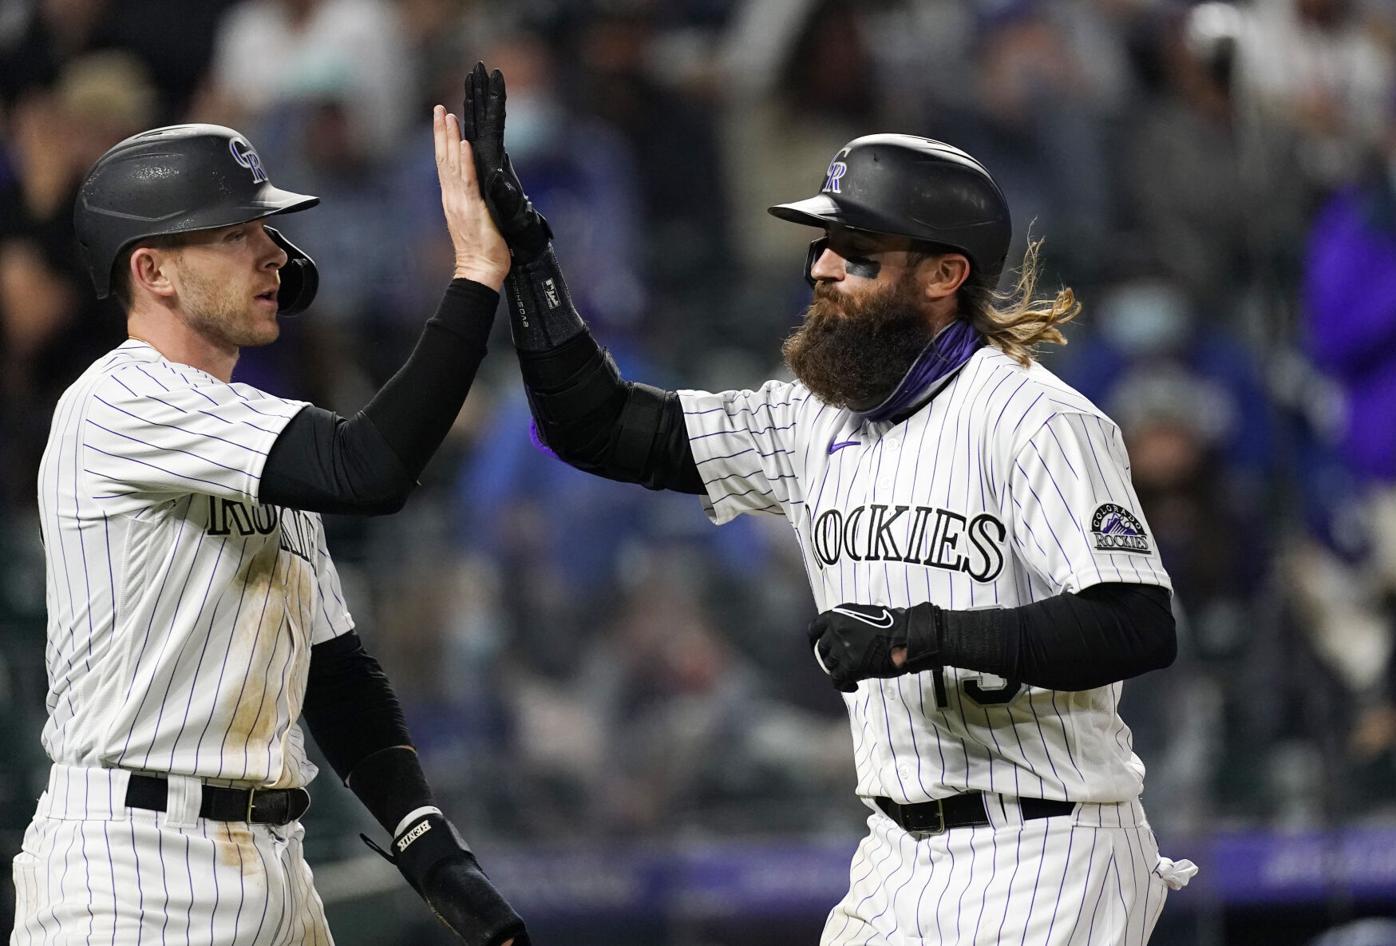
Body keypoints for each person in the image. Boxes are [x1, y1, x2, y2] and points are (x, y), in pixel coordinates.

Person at [462, 62, 1197, 945]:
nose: (821, 265)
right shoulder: (811, 418)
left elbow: (1136, 624)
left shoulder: (1035, 419)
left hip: (1047, 847)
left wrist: (924, 636)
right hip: (894, 855)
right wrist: (530, 258)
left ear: (944, 273)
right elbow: (597, 427)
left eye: (855, 249)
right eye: (821, 244)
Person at [11, 107, 527, 946]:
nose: (274, 254)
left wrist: (427, 842)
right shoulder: (117, 400)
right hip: (131, 870)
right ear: (152, 269)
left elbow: (338, 673)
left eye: (266, 230)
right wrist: (473, 275)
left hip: (274, 865)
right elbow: (368, 467)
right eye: (235, 234)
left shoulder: (251, 431)